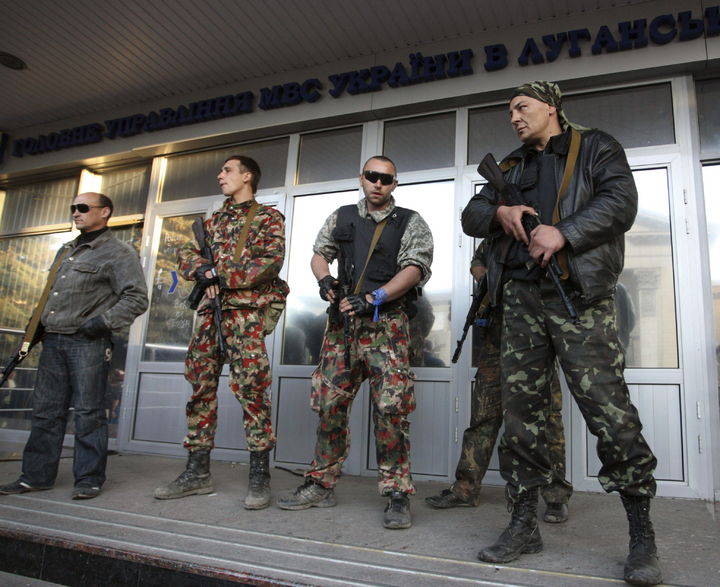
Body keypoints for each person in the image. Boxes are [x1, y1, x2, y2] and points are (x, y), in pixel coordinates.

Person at [461, 81, 661, 586]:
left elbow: (621, 202)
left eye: (521, 107)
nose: (513, 117)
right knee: (521, 417)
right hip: (520, 302)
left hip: (578, 299)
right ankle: (523, 524)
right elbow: (471, 215)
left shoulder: (596, 147)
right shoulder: (510, 166)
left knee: (609, 413)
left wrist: (564, 231)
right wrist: (501, 212)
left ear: (551, 107)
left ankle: (641, 535)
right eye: (509, 111)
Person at [277, 155, 433, 529]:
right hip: (342, 328)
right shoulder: (342, 216)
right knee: (329, 405)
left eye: (386, 178)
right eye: (372, 176)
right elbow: (320, 254)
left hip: (386, 328)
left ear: (394, 184)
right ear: (361, 178)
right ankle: (321, 484)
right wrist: (325, 280)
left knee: (391, 410)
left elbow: (415, 268)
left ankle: (397, 493)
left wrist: (375, 297)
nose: (378, 183)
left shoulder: (410, 221)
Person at [154, 155, 288, 510]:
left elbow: (269, 262)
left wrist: (218, 275)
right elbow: (185, 255)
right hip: (209, 316)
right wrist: (201, 270)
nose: (220, 176)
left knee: (252, 392)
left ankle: (259, 476)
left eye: (227, 170)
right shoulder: (212, 222)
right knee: (200, 389)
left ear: (247, 176)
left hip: (244, 316)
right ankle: (197, 472)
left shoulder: (267, 217)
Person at [0, 192, 148, 500]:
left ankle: (89, 480)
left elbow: (136, 298)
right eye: (73, 208)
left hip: (87, 344)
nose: (76, 213)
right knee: (45, 412)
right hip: (53, 341)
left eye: (83, 208)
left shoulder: (119, 252)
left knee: (89, 413)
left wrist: (99, 324)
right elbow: (51, 296)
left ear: (104, 212)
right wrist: (32, 331)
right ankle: (35, 477)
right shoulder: (66, 250)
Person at [425, 242, 572, 523]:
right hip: (496, 337)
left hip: (536, 340)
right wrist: (488, 279)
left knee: (548, 420)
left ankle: (555, 496)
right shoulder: (496, 237)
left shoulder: (540, 232)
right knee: (483, 416)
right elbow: (477, 261)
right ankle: (465, 489)